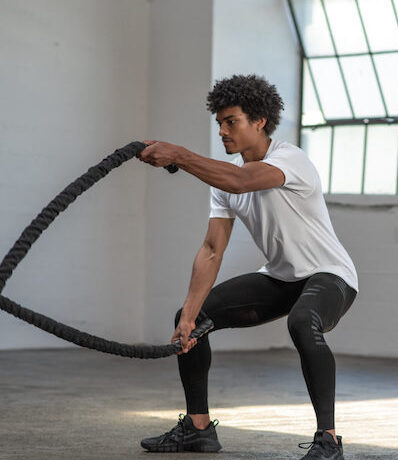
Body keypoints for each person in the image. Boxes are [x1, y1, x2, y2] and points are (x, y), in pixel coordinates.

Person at [137, 74, 358, 460]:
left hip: (330, 274)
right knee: (194, 315)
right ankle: (198, 429)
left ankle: (328, 440)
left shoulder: (290, 158)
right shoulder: (221, 181)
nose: (222, 130)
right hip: (280, 277)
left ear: (259, 121)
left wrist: (181, 155)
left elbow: (241, 181)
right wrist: (188, 316)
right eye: (219, 123)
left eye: (231, 121)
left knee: (302, 321)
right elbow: (210, 249)